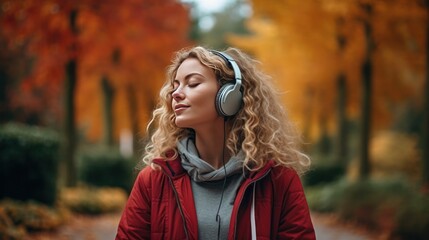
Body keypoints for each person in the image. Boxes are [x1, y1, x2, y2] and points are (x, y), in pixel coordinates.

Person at [115, 46, 316, 240]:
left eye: (192, 83)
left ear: (230, 97)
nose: (175, 94)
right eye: (175, 85)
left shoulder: (278, 180)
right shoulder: (153, 180)